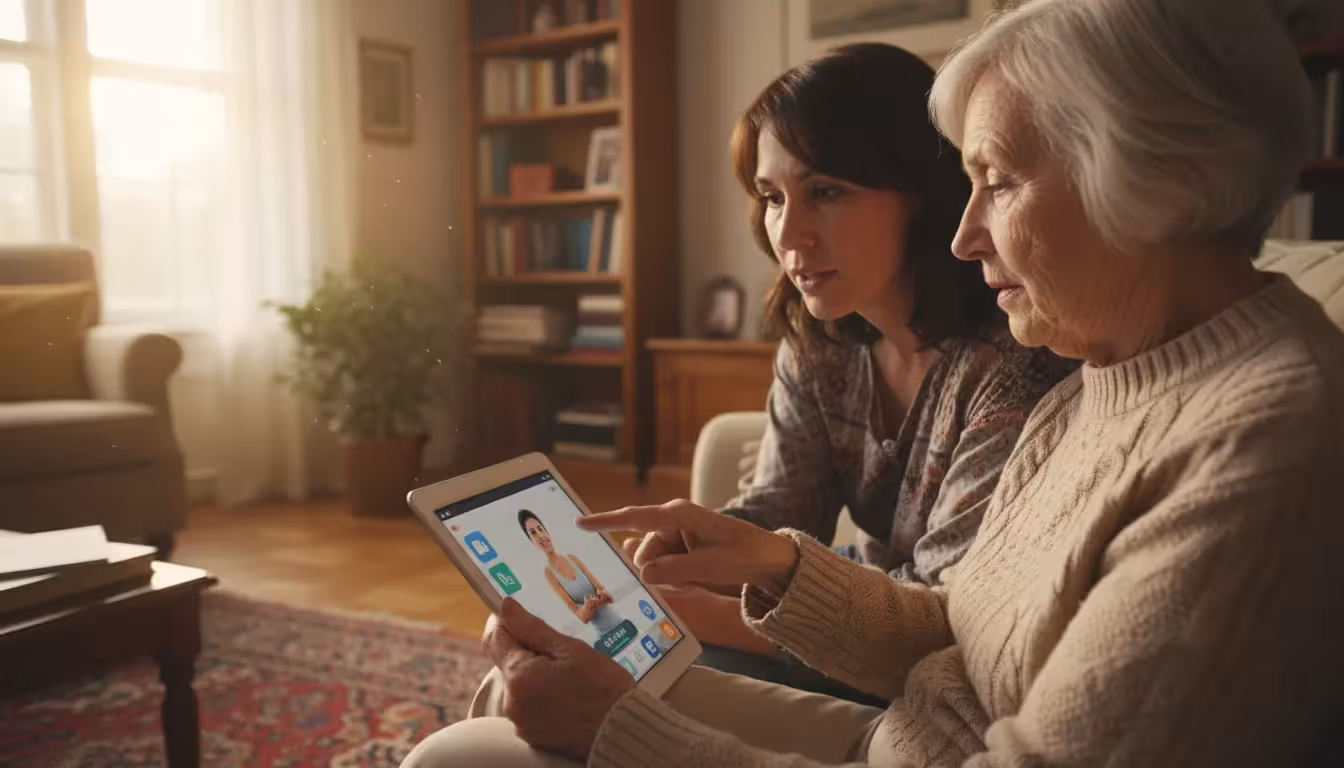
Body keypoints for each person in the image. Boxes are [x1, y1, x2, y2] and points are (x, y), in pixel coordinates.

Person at [402, 0, 1344, 765]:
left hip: (903, 743)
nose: (965, 235)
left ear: (1160, 182)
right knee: (504, 716)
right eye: (771, 197)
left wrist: (627, 733)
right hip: (903, 735)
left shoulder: (1259, 441)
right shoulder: (1109, 376)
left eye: (1001, 181)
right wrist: (775, 566)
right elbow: (962, 633)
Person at [650, 41, 1074, 705]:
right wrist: (693, 547)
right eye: (770, 197)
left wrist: (704, 614)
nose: (789, 235)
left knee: (647, 676)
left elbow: (948, 623)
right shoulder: (819, 340)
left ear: (921, 195)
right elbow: (787, 511)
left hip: (932, 668)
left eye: (825, 192)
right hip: (857, 600)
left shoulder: (1013, 367)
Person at [519, 509, 620, 637]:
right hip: (607, 637)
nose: (540, 535)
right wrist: (588, 608)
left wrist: (601, 594)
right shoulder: (549, 574)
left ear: (547, 532)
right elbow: (582, 617)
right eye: (533, 533)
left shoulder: (573, 559)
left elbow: (608, 596)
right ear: (532, 542)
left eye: (540, 529)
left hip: (622, 623)